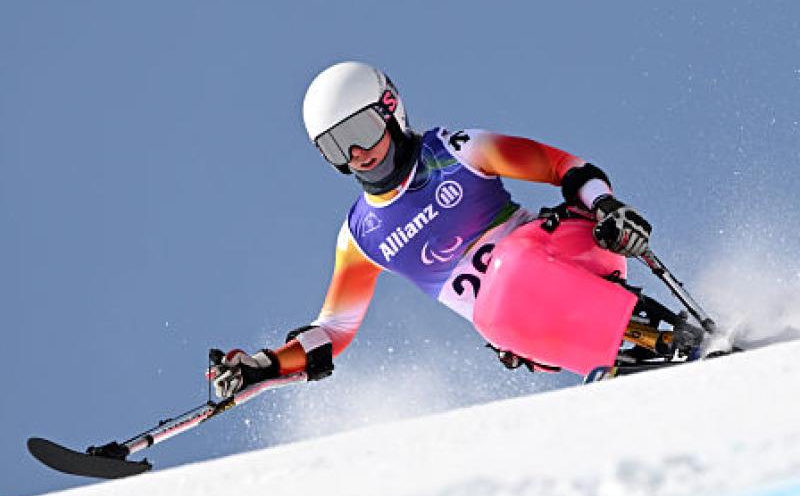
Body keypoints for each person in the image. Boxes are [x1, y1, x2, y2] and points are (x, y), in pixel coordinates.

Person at [212, 61, 652, 397]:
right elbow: (333, 330)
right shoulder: (360, 236)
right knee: (494, 318)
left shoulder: (454, 151)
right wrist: (265, 365)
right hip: (521, 321)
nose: (357, 152)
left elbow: (562, 166)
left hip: (571, 253)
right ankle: (640, 367)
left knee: (511, 267)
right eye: (336, 146)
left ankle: (656, 333)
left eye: (362, 130)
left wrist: (605, 205)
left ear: (390, 111)